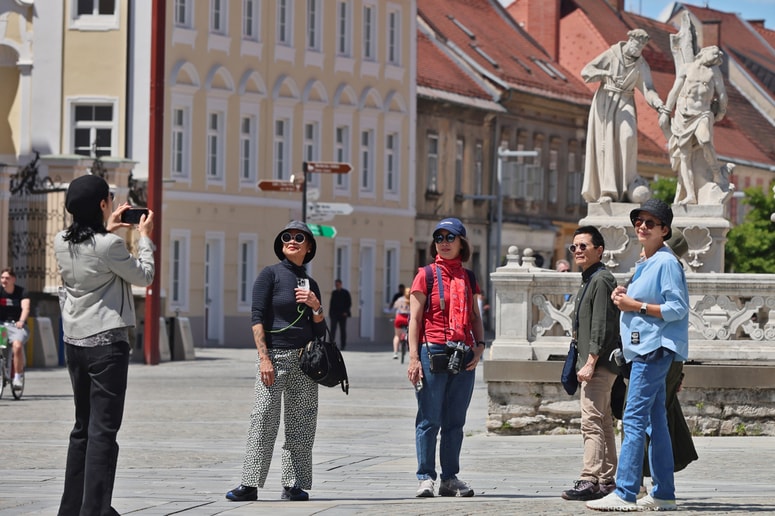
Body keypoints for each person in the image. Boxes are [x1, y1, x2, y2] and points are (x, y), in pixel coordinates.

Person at [54, 175, 155, 516]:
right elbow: (144, 276)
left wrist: (108, 230)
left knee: (82, 427)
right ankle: (94, 510)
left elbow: (91, 257)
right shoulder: (109, 246)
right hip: (107, 346)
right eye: (109, 198)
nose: (112, 203)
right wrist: (144, 240)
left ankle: (71, 509)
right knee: (103, 432)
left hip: (74, 344)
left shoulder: (59, 241)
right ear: (101, 204)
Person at [588, 198, 689, 512]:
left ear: (664, 230)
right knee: (655, 423)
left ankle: (626, 492)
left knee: (632, 420)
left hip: (653, 349)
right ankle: (664, 493)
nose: (642, 226)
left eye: (650, 223)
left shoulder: (667, 262)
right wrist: (624, 296)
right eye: (639, 221)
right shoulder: (648, 261)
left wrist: (636, 306)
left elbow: (678, 308)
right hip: (645, 348)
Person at [227, 220, 327, 503]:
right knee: (262, 419)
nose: (292, 240)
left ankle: (293, 484)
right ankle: (249, 484)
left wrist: (315, 306)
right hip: (275, 358)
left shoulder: (311, 283)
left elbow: (320, 331)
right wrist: (264, 358)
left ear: (309, 247)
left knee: (301, 424)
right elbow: (256, 318)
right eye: (287, 237)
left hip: (305, 361)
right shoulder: (269, 275)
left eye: (299, 237)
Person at [406, 217, 486, 498]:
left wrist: (481, 346)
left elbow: (475, 317)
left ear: (462, 243)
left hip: (464, 353)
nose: (444, 242)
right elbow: (414, 320)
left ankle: (449, 478)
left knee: (455, 421)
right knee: (429, 419)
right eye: (439, 238)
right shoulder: (425, 275)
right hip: (434, 350)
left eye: (450, 237)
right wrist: (414, 358)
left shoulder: (469, 277)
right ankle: (425, 477)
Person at [561, 226, 621, 502]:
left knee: (591, 423)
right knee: (603, 421)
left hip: (597, 364)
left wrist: (591, 361)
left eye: (584, 246)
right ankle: (607, 480)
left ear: (600, 250)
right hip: (598, 363)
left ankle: (589, 478)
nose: (578, 251)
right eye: (574, 247)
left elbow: (601, 325)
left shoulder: (600, 280)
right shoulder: (591, 279)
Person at [581, 29, 665, 204]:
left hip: (626, 100)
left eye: (641, 47)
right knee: (606, 146)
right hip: (606, 100)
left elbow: (648, 89)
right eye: (636, 45)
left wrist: (657, 103)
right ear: (630, 41)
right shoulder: (612, 54)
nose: (638, 49)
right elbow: (587, 71)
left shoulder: (641, 64)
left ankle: (627, 187)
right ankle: (608, 192)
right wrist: (604, 74)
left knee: (628, 137)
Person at [661, 45, 728, 205]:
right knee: (685, 157)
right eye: (715, 53)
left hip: (702, 113)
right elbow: (675, 90)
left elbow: (723, 93)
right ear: (703, 53)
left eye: (719, 56)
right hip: (683, 115)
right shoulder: (686, 68)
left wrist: (721, 112)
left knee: (705, 140)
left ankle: (716, 172)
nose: (717, 57)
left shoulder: (714, 71)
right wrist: (666, 111)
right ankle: (690, 195)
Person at [0, 268, 30, 390]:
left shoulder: (21, 292)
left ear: (13, 279)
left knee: (17, 346)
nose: (4, 280)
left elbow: (26, 308)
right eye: (2, 278)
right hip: (2, 327)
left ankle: (17, 377)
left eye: (7, 278)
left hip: (17, 326)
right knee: (1, 346)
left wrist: (21, 321)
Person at [329, 279, 351, 350]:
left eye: (338, 285)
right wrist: (331, 313)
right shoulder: (334, 293)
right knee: (332, 330)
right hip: (335, 314)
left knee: (343, 330)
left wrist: (346, 312)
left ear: (341, 284)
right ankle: (331, 345)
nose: (337, 286)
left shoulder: (345, 293)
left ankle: (343, 345)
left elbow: (349, 303)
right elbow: (331, 304)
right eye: (336, 285)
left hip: (342, 314)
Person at [392, 287, 410, 359]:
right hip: (408, 318)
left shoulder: (399, 300)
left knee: (397, 335)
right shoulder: (412, 299)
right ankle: (409, 345)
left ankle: (395, 353)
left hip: (399, 318)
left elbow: (394, 308)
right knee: (410, 335)